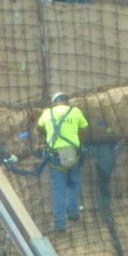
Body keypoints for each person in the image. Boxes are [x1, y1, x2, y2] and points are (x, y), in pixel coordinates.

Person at [37, 92, 89, 232]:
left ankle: (60, 224)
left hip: (55, 154)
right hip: (73, 153)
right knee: (74, 183)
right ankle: (72, 214)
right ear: (67, 102)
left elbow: (39, 127)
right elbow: (84, 129)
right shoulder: (75, 111)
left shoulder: (48, 113)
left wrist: (50, 134)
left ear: (55, 102)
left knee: (58, 189)